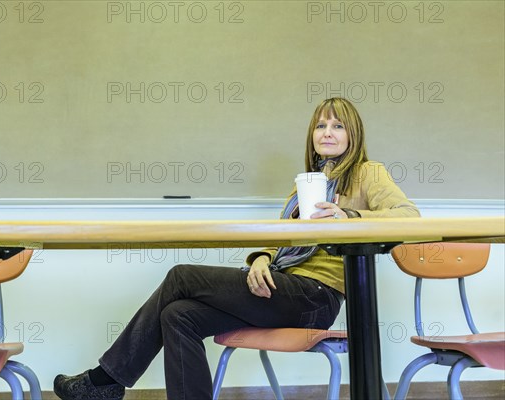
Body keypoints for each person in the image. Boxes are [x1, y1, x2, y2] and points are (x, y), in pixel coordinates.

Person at [53, 97, 420, 400]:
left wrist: (348, 213)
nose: (327, 132)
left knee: (181, 276)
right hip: (281, 289)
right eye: (321, 126)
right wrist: (260, 258)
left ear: (353, 135)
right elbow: (279, 242)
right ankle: (113, 385)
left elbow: (409, 216)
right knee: (178, 314)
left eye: (338, 126)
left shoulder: (368, 173)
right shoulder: (302, 190)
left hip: (315, 299)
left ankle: (105, 381)